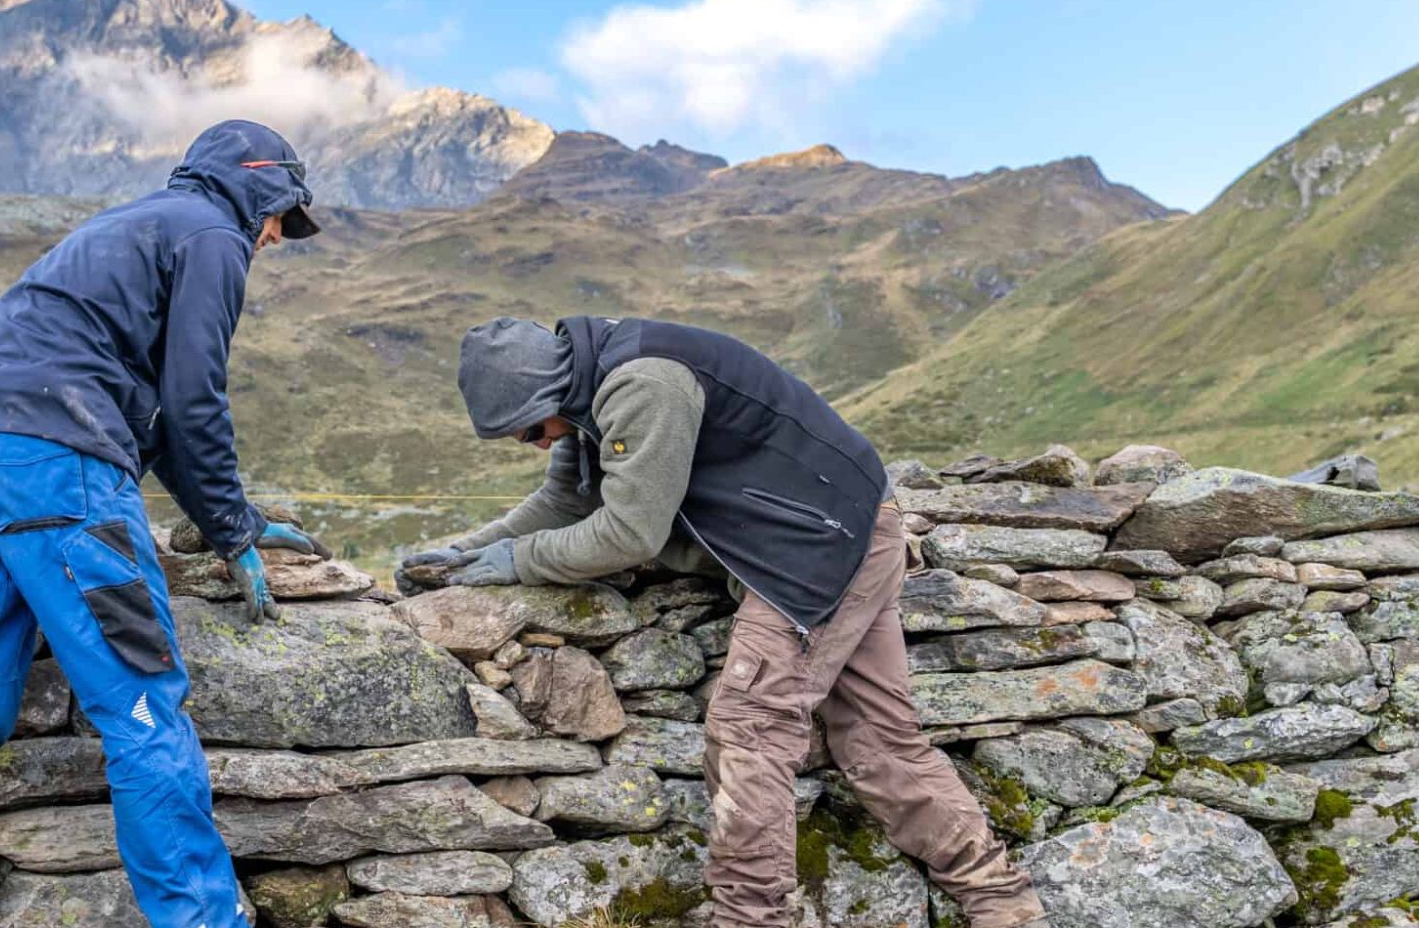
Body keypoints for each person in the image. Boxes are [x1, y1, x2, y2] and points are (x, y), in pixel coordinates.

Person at [0, 120, 329, 928]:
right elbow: (195, 397)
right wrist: (237, 529)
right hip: (55, 466)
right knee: (141, 706)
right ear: (258, 187)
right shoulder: (213, 234)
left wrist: (226, 520)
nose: (277, 235)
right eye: (282, 215)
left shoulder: (127, 224)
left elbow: (161, 414)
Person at [404, 316, 1048, 928]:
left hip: (809, 550)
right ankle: (1004, 904)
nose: (534, 442)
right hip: (840, 531)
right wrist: (465, 554)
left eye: (526, 428)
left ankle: (752, 916)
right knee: (879, 741)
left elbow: (629, 532)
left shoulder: (640, 383)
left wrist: (515, 560)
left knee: (751, 729)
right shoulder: (587, 387)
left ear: (544, 389)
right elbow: (565, 500)